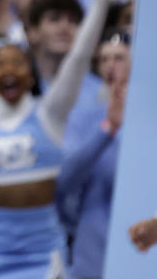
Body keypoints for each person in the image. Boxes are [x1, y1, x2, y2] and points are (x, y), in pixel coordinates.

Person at [0, 0, 113, 278]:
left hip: (44, 249)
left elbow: (79, 58)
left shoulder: (50, 113)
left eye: (18, 64)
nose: (9, 71)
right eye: (0, 64)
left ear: (31, 74)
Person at [56, 28, 131, 278]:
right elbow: (65, 178)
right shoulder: (81, 109)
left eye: (119, 57)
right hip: (93, 231)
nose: (111, 65)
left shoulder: (148, 111)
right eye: (104, 58)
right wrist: (107, 130)